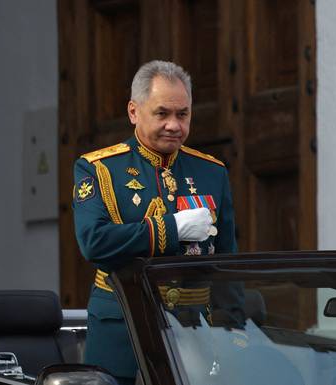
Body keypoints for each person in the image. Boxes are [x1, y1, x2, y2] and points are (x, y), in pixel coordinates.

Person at [72, 60, 243, 385]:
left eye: (183, 114)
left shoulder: (211, 172)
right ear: (134, 112)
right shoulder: (99, 169)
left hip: (193, 333)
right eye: (162, 113)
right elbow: (94, 241)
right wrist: (171, 229)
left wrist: (234, 333)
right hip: (122, 331)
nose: (174, 125)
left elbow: (226, 263)